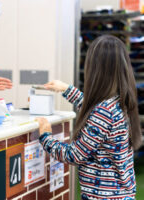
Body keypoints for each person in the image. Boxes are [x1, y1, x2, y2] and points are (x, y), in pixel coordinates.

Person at [36, 35, 142, 200]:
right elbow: (95, 114)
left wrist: (45, 136)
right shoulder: (120, 102)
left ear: (96, 70)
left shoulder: (104, 111)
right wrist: (66, 89)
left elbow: (74, 155)